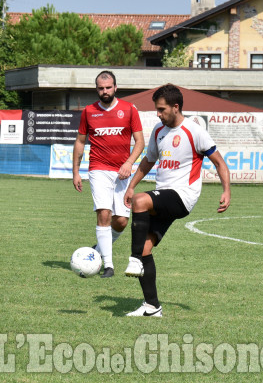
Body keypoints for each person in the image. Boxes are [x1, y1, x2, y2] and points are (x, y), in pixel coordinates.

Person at [123, 84, 231, 317]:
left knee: (141, 201)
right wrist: (131, 186)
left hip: (183, 196)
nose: (158, 114)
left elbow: (220, 163)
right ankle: (152, 307)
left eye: (161, 109)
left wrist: (226, 191)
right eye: (157, 110)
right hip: (165, 195)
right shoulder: (158, 131)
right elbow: (148, 161)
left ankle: (133, 260)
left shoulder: (195, 131)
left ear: (176, 106)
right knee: (145, 249)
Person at [73, 71, 145, 278]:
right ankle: (108, 266)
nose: (104, 91)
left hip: (122, 172)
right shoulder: (88, 111)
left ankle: (97, 250)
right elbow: (80, 141)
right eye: (100, 88)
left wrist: (129, 163)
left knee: (121, 220)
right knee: (104, 213)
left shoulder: (129, 110)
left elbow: (140, 142)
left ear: (115, 87)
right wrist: (76, 172)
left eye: (108, 87)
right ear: (97, 89)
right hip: (98, 169)